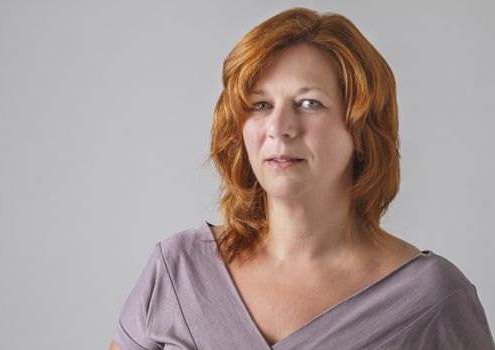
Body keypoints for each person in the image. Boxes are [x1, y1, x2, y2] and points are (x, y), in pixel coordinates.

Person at [109, 7, 495, 350]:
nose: (279, 127)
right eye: (261, 105)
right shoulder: (179, 270)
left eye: (310, 103)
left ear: (360, 130)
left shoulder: (432, 300)